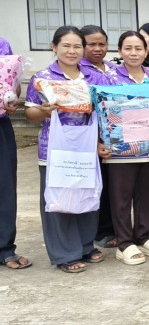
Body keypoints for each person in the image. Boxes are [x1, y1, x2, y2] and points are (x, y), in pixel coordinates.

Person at [25, 26, 109, 273]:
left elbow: (105, 111)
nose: (72, 51)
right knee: (59, 199)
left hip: (87, 146)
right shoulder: (42, 78)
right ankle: (64, 253)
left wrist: (100, 142)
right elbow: (29, 112)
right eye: (66, 46)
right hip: (54, 148)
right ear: (54, 47)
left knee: (86, 193)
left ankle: (85, 245)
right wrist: (43, 111)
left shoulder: (93, 77)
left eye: (77, 46)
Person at [105, 30, 149, 265]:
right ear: (120, 51)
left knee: (148, 194)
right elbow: (102, 111)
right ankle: (124, 243)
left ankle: (142, 235)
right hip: (120, 150)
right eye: (128, 48)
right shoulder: (110, 78)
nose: (133, 53)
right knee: (121, 197)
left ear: (146, 51)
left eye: (138, 48)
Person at [80, 25, 118, 248]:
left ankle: (115, 226)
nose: (97, 48)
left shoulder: (114, 69)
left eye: (101, 44)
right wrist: (94, 140)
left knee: (114, 185)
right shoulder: (78, 71)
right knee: (97, 185)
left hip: (115, 135)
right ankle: (101, 231)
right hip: (89, 136)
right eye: (91, 44)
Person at [0, 37, 31, 270]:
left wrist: (10, 98)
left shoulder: (1, 44)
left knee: (4, 186)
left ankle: (4, 248)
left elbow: (13, 84)